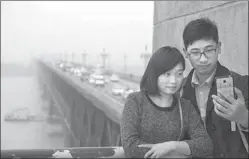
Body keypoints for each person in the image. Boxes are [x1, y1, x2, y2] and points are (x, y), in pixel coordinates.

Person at [120, 46, 213, 158]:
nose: (174, 81)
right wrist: (177, 156)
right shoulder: (135, 101)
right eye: (167, 74)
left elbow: (205, 144)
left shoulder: (185, 107)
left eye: (179, 74)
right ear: (155, 74)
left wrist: (172, 146)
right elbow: (131, 147)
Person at [181, 18, 248, 158]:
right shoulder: (179, 90)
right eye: (195, 52)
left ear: (219, 47)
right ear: (185, 53)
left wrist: (244, 118)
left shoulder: (242, 84)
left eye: (209, 50)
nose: (203, 59)